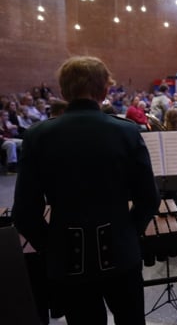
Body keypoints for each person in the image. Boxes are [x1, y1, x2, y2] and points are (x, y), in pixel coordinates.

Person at [12, 56, 160, 325]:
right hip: (121, 251)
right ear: (104, 91)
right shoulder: (125, 132)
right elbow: (149, 199)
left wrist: (52, 245)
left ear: (64, 91)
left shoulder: (37, 136)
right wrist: (127, 232)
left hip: (68, 259)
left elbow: (23, 212)